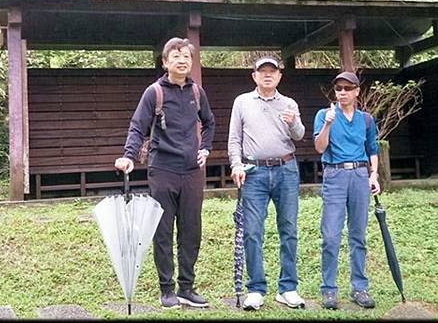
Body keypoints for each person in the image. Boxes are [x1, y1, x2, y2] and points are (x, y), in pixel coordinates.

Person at [115, 37, 215, 309]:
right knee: (162, 230)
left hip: (193, 171)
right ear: (165, 62)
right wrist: (128, 155)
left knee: (191, 230)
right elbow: (138, 126)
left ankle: (187, 287)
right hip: (162, 170)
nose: (182, 60)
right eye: (176, 56)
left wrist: (205, 148)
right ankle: (167, 289)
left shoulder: (197, 93)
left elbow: (209, 122)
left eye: (187, 56)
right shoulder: (154, 92)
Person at [228, 56, 306, 311]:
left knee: (289, 229)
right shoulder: (242, 101)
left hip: (286, 169)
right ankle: (256, 289)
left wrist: (293, 122)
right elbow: (234, 139)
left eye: (272, 72)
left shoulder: (289, 103)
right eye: (263, 72)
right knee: (252, 231)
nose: (268, 75)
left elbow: (300, 135)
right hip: (253, 172)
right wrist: (236, 165)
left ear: (280, 76)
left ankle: (288, 288)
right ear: (254, 76)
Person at [313, 71, 380, 310]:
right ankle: (329, 289)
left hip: (360, 175)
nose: (342, 92)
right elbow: (320, 148)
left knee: (358, 235)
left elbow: (372, 148)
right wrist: (329, 123)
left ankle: (359, 287)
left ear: (356, 91)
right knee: (331, 236)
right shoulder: (324, 115)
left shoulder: (366, 119)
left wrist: (374, 175)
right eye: (338, 88)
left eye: (347, 88)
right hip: (335, 174)